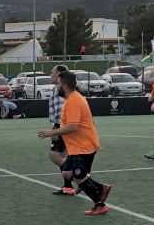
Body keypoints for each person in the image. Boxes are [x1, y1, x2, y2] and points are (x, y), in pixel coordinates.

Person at [38, 71, 111, 215]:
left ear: (65, 85)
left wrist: (51, 133)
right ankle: (101, 188)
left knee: (79, 177)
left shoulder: (74, 101)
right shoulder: (72, 98)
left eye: (58, 83)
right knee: (67, 173)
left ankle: (99, 205)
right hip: (77, 146)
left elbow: (73, 127)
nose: (56, 86)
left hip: (84, 146)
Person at [46, 64, 75, 196]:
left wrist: (56, 128)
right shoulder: (58, 89)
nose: (51, 75)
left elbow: (61, 110)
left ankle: (82, 178)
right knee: (64, 155)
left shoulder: (61, 90)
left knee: (55, 155)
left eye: (52, 72)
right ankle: (68, 186)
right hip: (62, 125)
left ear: (59, 74)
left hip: (63, 126)